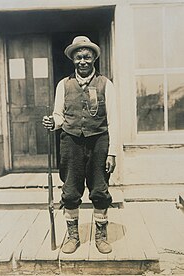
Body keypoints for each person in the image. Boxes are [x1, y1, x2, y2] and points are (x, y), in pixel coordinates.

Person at [42, 36, 117, 254]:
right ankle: (73, 236)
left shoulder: (106, 84)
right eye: (78, 57)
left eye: (87, 56)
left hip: (99, 142)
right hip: (71, 142)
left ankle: (101, 236)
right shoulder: (64, 85)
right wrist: (52, 122)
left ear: (94, 58)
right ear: (73, 60)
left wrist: (112, 153)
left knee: (100, 189)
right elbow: (59, 115)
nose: (83, 61)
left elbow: (114, 120)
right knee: (71, 190)